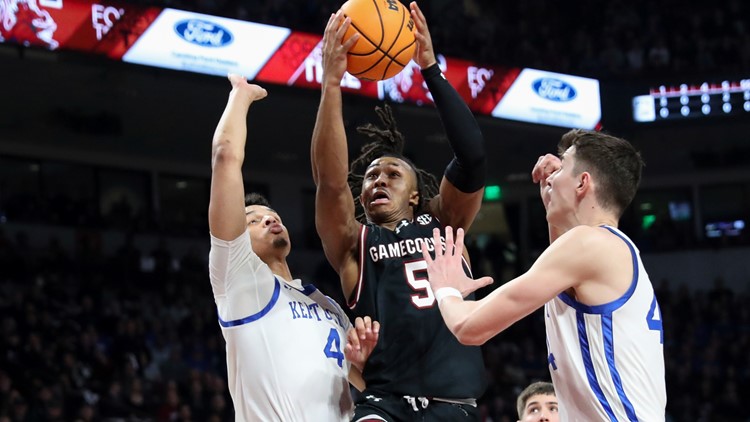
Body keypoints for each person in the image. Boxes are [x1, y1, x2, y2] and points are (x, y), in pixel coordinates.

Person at [311, 2, 488, 420]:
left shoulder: (445, 222)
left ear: (415, 194)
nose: (378, 180)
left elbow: (473, 157)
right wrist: (331, 85)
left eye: (392, 173)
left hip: (453, 404)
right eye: (371, 176)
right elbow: (331, 183)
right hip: (385, 402)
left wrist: (430, 69)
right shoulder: (355, 244)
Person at [422, 129, 666, 421]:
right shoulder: (603, 249)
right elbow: (559, 260)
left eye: (562, 169)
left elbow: (468, 327)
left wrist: (445, 289)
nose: (550, 177)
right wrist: (555, 190)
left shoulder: (590, 245)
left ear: (583, 183)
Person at [208, 74, 379, 421]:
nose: (270, 221)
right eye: (254, 220)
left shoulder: (327, 305)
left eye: (273, 216)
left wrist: (367, 363)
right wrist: (241, 96)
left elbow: (365, 381)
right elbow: (226, 157)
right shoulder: (240, 279)